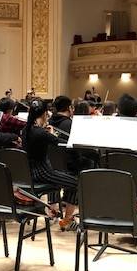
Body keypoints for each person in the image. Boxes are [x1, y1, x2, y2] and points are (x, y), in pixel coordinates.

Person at [22, 98, 78, 230]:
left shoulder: (26, 130)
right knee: (75, 182)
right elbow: (56, 141)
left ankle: (53, 210)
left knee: (62, 177)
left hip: (31, 173)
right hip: (43, 173)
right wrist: (51, 131)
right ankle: (68, 220)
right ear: (44, 114)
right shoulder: (41, 133)